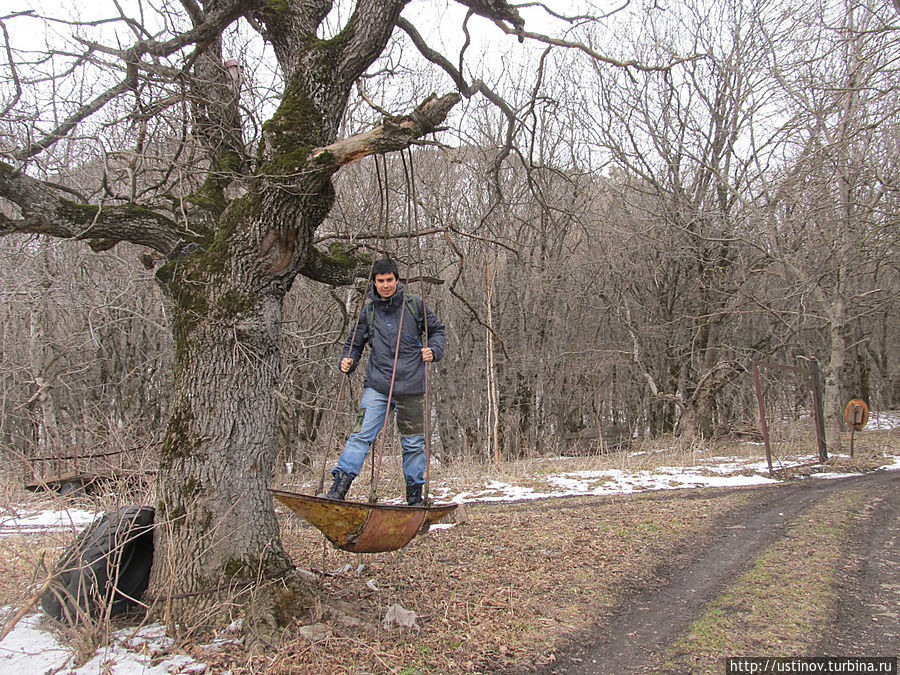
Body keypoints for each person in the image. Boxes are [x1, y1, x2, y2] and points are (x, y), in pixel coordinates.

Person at [324, 259, 446, 506]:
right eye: (380, 281)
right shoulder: (368, 312)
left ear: (397, 280)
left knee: (414, 444)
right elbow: (354, 344)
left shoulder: (414, 305)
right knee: (359, 435)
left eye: (390, 280)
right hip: (378, 386)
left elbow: (438, 331)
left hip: (412, 386)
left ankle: (414, 497)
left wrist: (434, 350)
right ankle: (338, 489)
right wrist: (348, 360)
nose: (386, 285)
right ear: (374, 283)